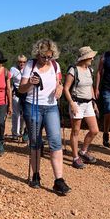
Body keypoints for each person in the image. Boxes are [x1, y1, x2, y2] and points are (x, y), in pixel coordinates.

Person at [18, 38, 70, 195]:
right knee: (35, 142)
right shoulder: (30, 65)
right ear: (37, 54)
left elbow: (58, 82)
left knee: (55, 141)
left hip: (51, 107)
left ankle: (59, 180)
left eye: (50, 56)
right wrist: (30, 84)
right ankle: (35, 175)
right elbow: (21, 89)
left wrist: (60, 88)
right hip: (32, 105)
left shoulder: (55, 65)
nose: (47, 59)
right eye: (44, 56)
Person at [64, 46, 100, 169]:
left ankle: (83, 151)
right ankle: (75, 157)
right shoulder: (73, 70)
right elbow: (66, 88)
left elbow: (90, 86)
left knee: (94, 130)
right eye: (91, 56)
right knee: (75, 131)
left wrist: (94, 102)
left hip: (88, 103)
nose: (93, 58)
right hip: (77, 103)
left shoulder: (90, 70)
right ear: (85, 58)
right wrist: (72, 104)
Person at [10, 55, 28, 141]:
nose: (22, 63)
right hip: (16, 93)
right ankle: (15, 133)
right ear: (17, 62)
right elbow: (8, 79)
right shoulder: (13, 69)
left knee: (25, 114)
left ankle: (22, 131)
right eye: (20, 62)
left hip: (25, 93)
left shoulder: (27, 69)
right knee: (16, 114)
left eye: (24, 62)